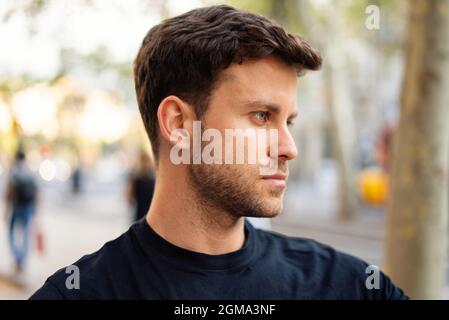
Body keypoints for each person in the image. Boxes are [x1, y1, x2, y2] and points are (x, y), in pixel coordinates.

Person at [30, 5, 408, 299]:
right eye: (262, 116)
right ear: (178, 124)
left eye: (287, 122)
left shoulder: (350, 286)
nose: (288, 148)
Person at [4, 150, 38, 274]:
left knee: (11, 233)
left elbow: (9, 191)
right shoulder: (30, 171)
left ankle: (17, 257)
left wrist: (7, 209)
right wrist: (36, 210)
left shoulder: (14, 171)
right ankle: (23, 260)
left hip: (16, 207)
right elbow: (37, 192)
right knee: (25, 235)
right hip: (28, 207)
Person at [127, 150, 155, 221]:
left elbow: (129, 200)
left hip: (139, 216)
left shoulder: (135, 178)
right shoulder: (154, 178)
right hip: (152, 217)